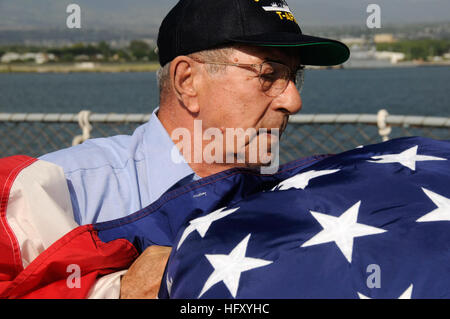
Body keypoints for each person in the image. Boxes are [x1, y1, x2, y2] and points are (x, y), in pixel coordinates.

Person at [39, 0, 350, 298]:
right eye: (269, 75)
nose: (294, 102)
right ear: (187, 81)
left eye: (294, 76)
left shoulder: (294, 201)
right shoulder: (61, 191)